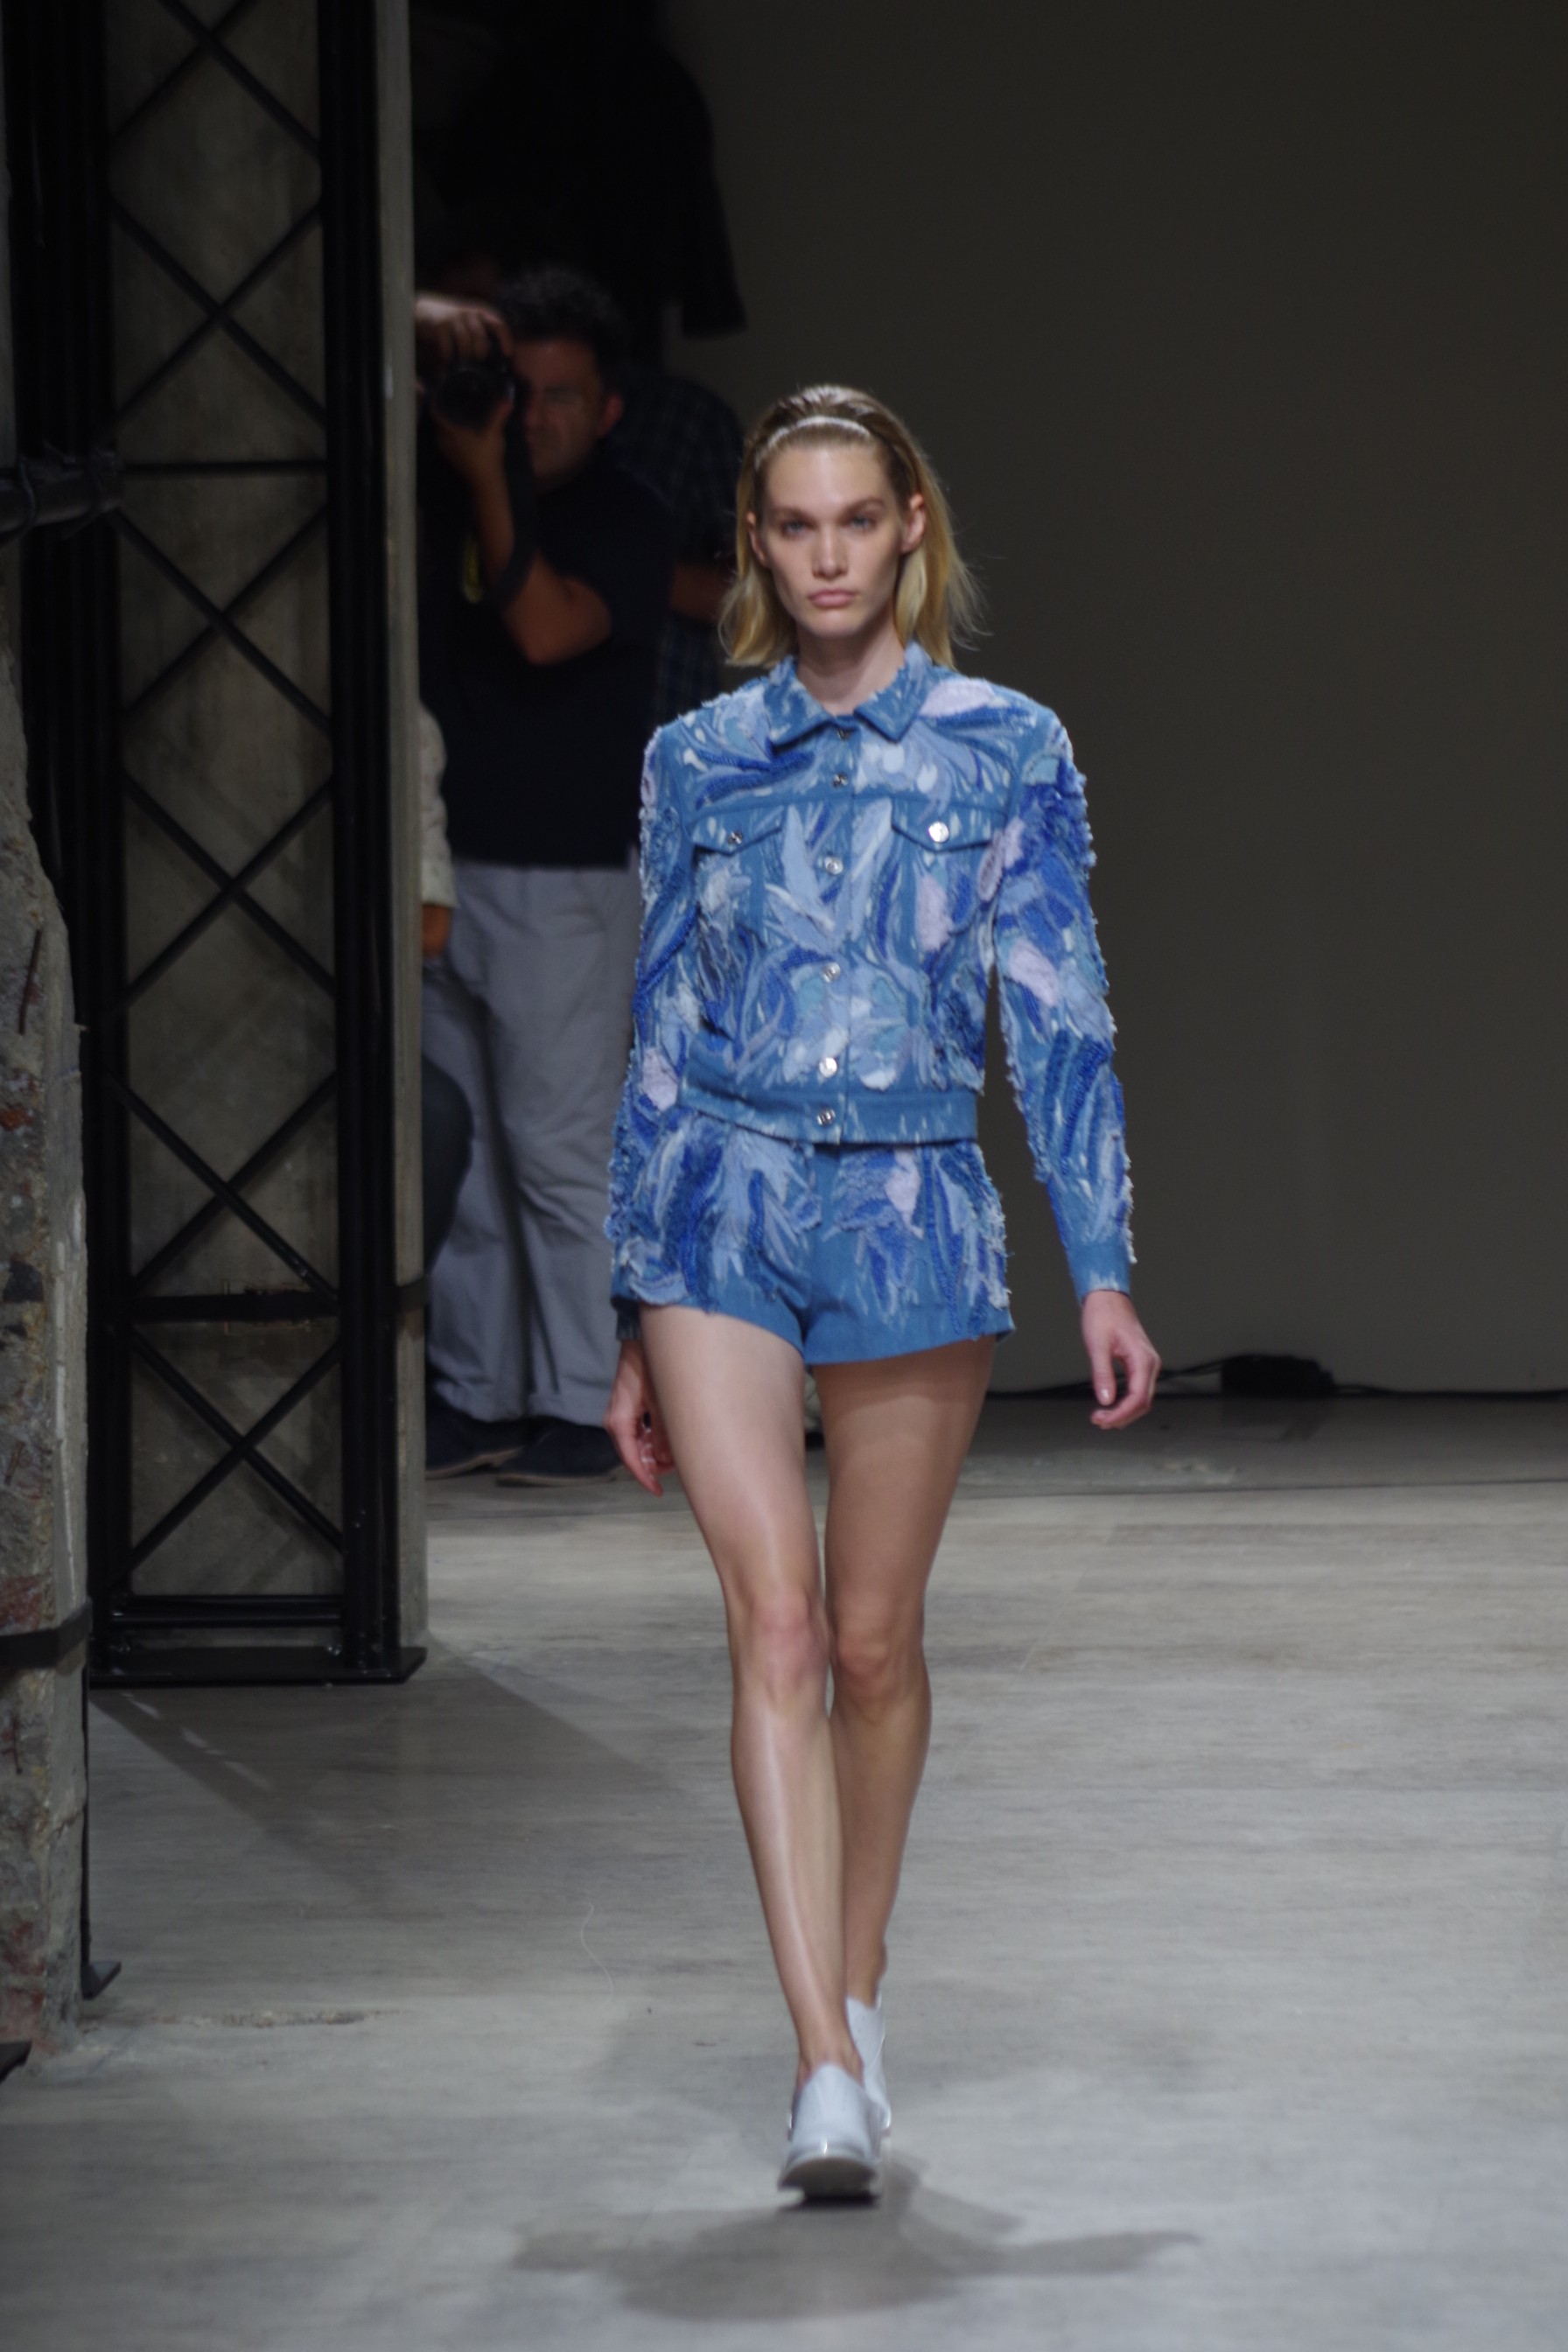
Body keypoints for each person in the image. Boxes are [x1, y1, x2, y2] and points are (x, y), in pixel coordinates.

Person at [602, 386, 1160, 2197]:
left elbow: (1056, 1018)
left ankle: (860, 1975)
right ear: (756, 545)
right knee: (771, 1634)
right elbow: (658, 1031)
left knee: (867, 1644)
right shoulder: (695, 760)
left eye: (857, 520)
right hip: (717, 1214)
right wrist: (628, 1300)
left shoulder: (1009, 749)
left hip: (914, 1209)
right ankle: (822, 2068)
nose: (827, 556)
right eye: (795, 526)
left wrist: (1101, 1271)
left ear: (910, 526)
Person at [416, 268, 674, 1484]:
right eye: (517, 389)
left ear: (608, 409)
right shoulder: (443, 490)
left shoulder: (625, 517)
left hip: (567, 878)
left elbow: (543, 627)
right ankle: (479, 1392)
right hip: (445, 866)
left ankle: (584, 1398)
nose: (533, 415)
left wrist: (485, 475)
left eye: (562, 395)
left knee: (560, 1152)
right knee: (463, 1158)